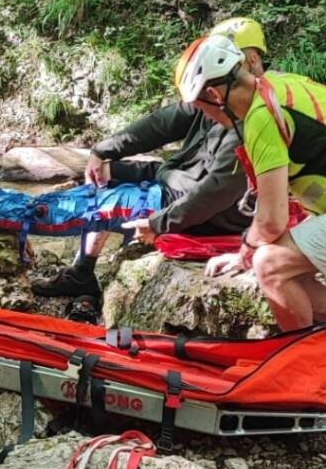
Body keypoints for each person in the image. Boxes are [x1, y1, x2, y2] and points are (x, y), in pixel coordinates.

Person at [33, 18, 269, 299]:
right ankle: (83, 271)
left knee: (114, 200)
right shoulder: (215, 90)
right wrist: (103, 150)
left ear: (251, 59)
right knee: (105, 173)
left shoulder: (252, 117)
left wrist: (159, 224)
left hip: (215, 209)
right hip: (180, 179)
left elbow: (216, 190)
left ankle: (27, 226)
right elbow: (162, 123)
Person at [174, 34, 326, 331]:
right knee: (294, 271)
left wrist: (246, 247)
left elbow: (271, 222)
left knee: (269, 265)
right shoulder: (279, 85)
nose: (205, 117)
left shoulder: (261, 118)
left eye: (200, 108)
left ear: (214, 96)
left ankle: (298, 364)